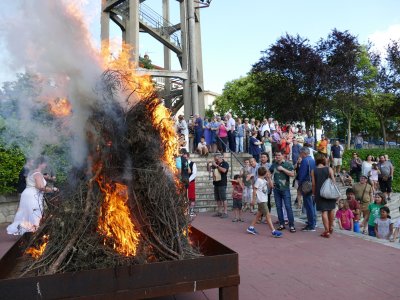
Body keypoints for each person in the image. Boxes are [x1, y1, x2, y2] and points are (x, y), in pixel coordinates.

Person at [7, 156, 59, 235]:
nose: (46, 165)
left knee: (26, 213)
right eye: (45, 164)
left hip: (27, 194)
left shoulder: (31, 172)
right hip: (32, 195)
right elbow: (40, 187)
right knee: (35, 213)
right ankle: (34, 232)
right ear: (41, 164)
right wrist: (53, 189)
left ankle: (27, 230)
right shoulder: (37, 174)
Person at [246, 167, 283, 238]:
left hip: (264, 200)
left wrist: (269, 178)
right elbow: (254, 190)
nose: (268, 173)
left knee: (258, 215)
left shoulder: (264, 180)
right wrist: (253, 200)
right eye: (267, 172)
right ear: (265, 173)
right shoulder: (259, 180)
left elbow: (271, 186)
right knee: (268, 216)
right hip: (261, 201)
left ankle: (251, 227)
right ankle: (273, 231)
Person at [269, 151, 296, 233]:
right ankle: (281, 224)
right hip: (276, 189)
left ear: (283, 156)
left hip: (285, 189)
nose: (277, 156)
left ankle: (291, 225)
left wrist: (283, 169)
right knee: (278, 207)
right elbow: (268, 173)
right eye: (276, 155)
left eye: (279, 155)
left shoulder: (288, 164)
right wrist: (270, 181)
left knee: (288, 207)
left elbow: (292, 174)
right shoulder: (274, 164)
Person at [311, 154, 337, 238]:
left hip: (320, 193)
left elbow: (314, 184)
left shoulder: (313, 170)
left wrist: (314, 194)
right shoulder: (329, 169)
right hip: (330, 192)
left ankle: (326, 231)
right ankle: (331, 226)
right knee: (331, 209)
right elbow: (333, 181)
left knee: (324, 211)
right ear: (323, 160)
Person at [298, 147, 316, 232]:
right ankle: (313, 221)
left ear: (303, 153)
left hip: (306, 184)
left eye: (300, 153)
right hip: (312, 183)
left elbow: (302, 174)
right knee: (312, 205)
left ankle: (311, 224)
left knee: (308, 205)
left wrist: (299, 185)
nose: (300, 155)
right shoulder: (312, 160)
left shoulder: (305, 161)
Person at [211, 154, 229, 218]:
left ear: (220, 158)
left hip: (222, 183)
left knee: (223, 198)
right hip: (216, 183)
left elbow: (224, 170)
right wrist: (208, 164)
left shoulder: (225, 163)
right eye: (215, 159)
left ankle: (225, 212)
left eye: (217, 159)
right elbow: (208, 170)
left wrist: (216, 165)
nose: (216, 161)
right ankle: (219, 212)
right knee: (218, 199)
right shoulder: (215, 163)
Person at [181, 151, 197, 217]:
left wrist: (188, 180)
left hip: (191, 182)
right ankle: (185, 210)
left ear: (188, 156)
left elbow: (194, 173)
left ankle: (191, 211)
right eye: (183, 157)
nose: (184, 158)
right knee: (184, 197)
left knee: (191, 197)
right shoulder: (182, 163)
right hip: (183, 183)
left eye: (185, 157)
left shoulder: (193, 164)